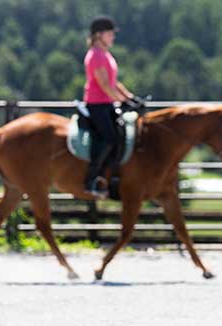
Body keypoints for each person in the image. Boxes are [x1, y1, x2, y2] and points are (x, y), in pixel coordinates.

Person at [83, 15, 136, 198]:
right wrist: (121, 101)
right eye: (110, 33)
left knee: (123, 136)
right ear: (99, 35)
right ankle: (91, 179)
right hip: (97, 105)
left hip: (106, 103)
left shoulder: (105, 54)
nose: (113, 37)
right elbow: (104, 85)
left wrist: (130, 97)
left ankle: (112, 177)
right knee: (110, 138)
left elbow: (114, 83)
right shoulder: (95, 56)